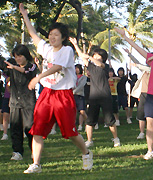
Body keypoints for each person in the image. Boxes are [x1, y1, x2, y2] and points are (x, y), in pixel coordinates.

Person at [20, 3, 93, 173]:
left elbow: (58, 67)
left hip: (63, 95)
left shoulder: (67, 50)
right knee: (37, 129)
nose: (52, 38)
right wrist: (24, 15)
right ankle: (36, 164)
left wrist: (38, 77)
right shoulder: (46, 49)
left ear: (63, 37)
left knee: (70, 132)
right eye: (51, 34)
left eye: (56, 35)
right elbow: (33, 34)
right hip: (46, 94)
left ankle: (86, 153)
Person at [116, 27, 153, 159]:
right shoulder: (151, 58)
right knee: (150, 123)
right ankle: (150, 151)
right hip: (151, 96)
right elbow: (137, 48)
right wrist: (125, 37)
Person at [69, 38, 120, 148]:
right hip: (93, 97)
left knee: (109, 120)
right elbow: (83, 57)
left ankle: (116, 139)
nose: (95, 57)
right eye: (95, 55)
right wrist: (75, 45)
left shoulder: (105, 67)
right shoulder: (91, 67)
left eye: (98, 56)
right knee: (90, 120)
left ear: (103, 58)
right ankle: (89, 140)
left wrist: (91, 57)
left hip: (105, 96)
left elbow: (99, 64)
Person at [0, 49, 37, 162]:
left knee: (29, 128)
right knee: (15, 128)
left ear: (26, 56)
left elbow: (26, 72)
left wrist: (14, 67)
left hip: (28, 102)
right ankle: (17, 152)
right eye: (16, 57)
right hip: (15, 102)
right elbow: (3, 65)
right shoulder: (11, 66)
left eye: (20, 56)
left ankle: (34, 151)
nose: (18, 59)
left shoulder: (32, 66)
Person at [73, 64, 88, 131]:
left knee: (82, 111)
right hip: (73, 95)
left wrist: (74, 91)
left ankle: (86, 124)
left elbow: (81, 85)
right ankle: (74, 126)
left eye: (77, 68)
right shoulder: (72, 76)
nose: (76, 70)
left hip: (80, 95)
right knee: (74, 112)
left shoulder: (84, 77)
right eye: (75, 68)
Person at [1, 73, 10, 140]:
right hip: (7, 96)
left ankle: (24, 132)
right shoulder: (5, 72)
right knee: (5, 115)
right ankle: (5, 133)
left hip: (16, 96)